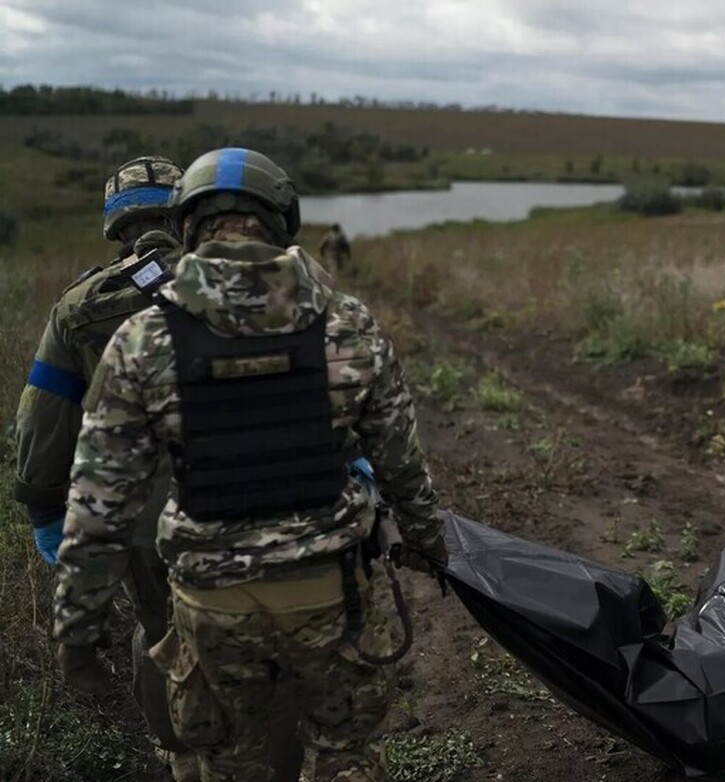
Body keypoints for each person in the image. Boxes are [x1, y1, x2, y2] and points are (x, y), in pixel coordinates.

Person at [52, 147, 446, 780]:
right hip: (329, 592)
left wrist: (78, 632)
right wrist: (430, 545)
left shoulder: (144, 340)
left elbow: (98, 507)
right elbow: (401, 466)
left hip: (211, 604)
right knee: (347, 756)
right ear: (282, 217)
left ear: (188, 225)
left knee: (233, 762)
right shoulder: (348, 325)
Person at [13, 155, 204, 780]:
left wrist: (45, 508)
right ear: (183, 211)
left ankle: (181, 761)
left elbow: (43, 426)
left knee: (159, 629)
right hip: (242, 499)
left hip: (138, 517)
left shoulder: (78, 308)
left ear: (114, 223)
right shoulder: (236, 281)